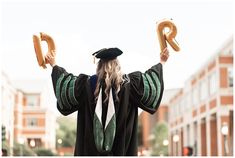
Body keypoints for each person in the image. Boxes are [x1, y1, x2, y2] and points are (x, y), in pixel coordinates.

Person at [45, 47, 169, 156]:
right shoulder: (132, 85)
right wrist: (162, 61)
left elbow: (65, 88)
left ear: (99, 66)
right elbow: (151, 87)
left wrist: (54, 64)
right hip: (123, 151)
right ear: (117, 65)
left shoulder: (84, 85)